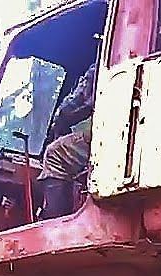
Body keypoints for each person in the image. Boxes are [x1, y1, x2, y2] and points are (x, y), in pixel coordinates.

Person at [39, 63, 97, 219]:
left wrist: (60, 118)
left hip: (115, 135)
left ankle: (54, 224)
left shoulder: (103, 63)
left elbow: (77, 102)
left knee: (54, 154)